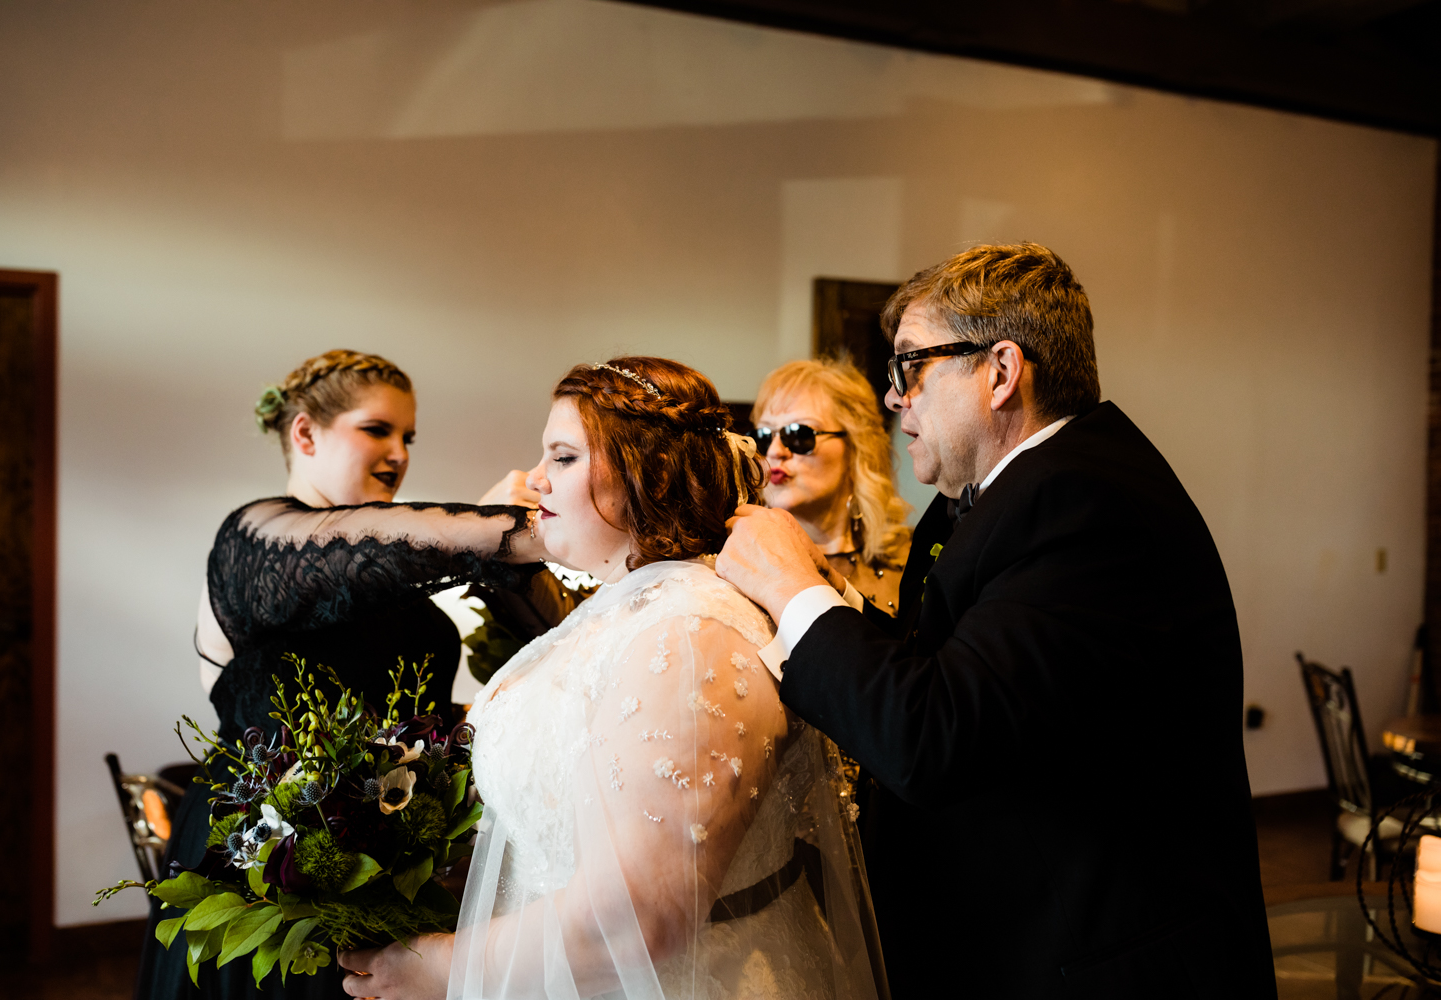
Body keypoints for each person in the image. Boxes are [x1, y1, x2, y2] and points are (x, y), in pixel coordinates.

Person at [717, 245, 1276, 998]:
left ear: (1001, 371)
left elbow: (934, 735)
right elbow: (955, 669)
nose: (894, 399)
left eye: (910, 366)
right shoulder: (1005, 495)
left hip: (1093, 959)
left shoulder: (1083, 502)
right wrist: (825, 597)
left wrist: (792, 591)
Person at [338, 358, 883, 1000]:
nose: (533, 480)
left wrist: (445, 967)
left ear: (645, 473)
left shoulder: (693, 632)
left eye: (563, 458)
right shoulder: (622, 606)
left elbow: (641, 918)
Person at [139, 349, 559, 1000]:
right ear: (304, 433)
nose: (399, 452)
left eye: (408, 436)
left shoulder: (395, 573)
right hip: (262, 873)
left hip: (387, 873)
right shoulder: (253, 541)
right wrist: (504, 525)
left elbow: (554, 627)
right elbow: (373, 552)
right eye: (377, 430)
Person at [752, 359, 911, 615]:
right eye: (763, 436)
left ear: (855, 447)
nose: (774, 451)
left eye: (798, 434)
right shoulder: (742, 559)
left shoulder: (914, 556)